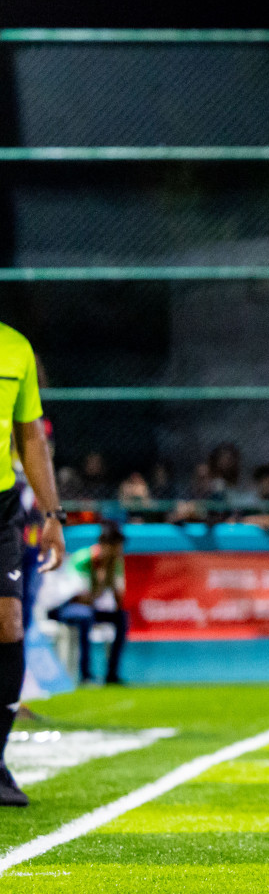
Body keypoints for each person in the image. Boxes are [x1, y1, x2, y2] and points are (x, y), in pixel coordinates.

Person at [0, 320, 67, 807]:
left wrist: (52, 514)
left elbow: (31, 439)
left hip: (1, 505)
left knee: (10, 623)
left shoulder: (16, 346)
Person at [49, 521, 128, 686]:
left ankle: (111, 674)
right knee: (85, 616)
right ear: (104, 545)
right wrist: (100, 581)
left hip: (91, 608)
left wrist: (111, 579)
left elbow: (118, 602)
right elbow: (78, 597)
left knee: (122, 618)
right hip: (64, 608)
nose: (118, 552)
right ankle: (85, 675)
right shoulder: (83, 560)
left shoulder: (116, 564)